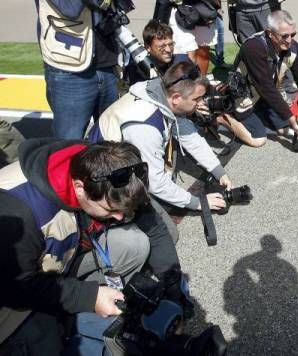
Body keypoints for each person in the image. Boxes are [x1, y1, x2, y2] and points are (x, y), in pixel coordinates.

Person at [0, 139, 185, 354]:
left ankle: (78, 310)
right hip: (9, 286)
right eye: (110, 210)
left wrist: (174, 294)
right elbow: (15, 287)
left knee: (134, 244)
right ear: (79, 187)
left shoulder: (112, 171)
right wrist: (88, 296)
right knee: (44, 343)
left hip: (59, 257)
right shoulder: (17, 211)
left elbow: (155, 229)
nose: (119, 217)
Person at [88, 61, 229, 213]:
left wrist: (219, 172)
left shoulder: (162, 92)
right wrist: (197, 202)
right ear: (176, 98)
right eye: (197, 99)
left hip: (124, 158)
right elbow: (155, 183)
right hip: (106, 180)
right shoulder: (144, 126)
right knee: (167, 232)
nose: (201, 104)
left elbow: (190, 137)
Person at [221, 10, 298, 148]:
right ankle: (224, 117)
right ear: (270, 33)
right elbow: (265, 87)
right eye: (284, 36)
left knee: (284, 130)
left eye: (293, 35)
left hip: (265, 96)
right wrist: (290, 117)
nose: (289, 40)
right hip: (245, 96)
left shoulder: (293, 48)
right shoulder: (254, 47)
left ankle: (258, 114)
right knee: (258, 140)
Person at [35, 0, 120, 140]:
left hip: (108, 62)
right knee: (69, 146)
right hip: (69, 68)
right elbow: (71, 9)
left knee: (112, 142)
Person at [124, 19, 188, 87]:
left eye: (171, 44)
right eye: (162, 46)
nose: (168, 50)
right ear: (148, 47)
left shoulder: (181, 62)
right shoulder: (138, 71)